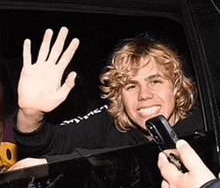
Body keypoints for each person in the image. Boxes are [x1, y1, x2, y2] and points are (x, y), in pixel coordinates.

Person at [12, 26, 195, 163]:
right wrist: (30, 113)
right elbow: (45, 144)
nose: (144, 95)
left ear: (176, 86)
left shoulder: (206, 124)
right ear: (119, 95)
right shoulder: (109, 124)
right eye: (131, 86)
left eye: (155, 81)